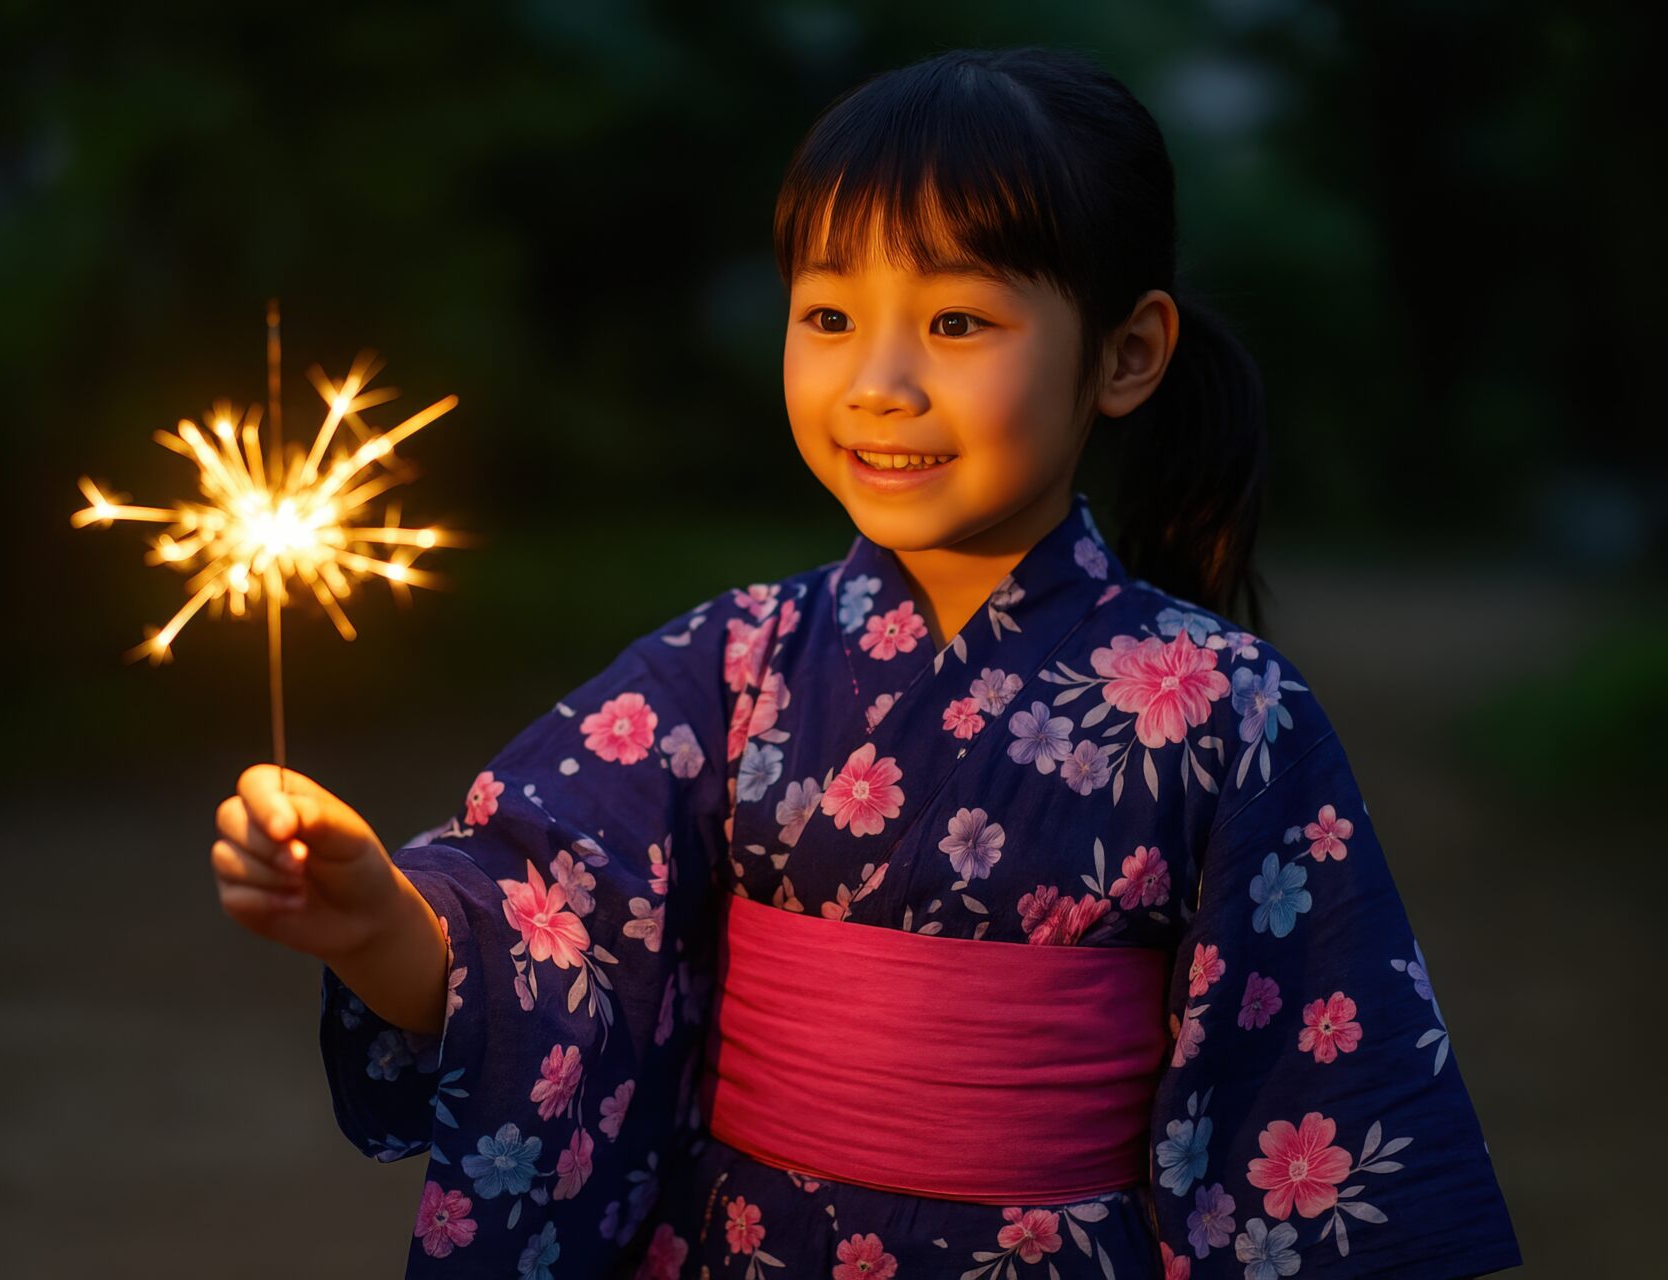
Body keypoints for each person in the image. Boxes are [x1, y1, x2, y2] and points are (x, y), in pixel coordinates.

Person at [210, 46, 1522, 1279]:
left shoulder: (1230, 714)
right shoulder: (729, 666)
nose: (878, 381)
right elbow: (551, 931)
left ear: (1126, 355)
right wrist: (383, 921)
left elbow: (1312, 1093)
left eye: (957, 324)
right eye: (829, 312)